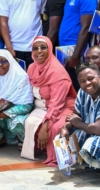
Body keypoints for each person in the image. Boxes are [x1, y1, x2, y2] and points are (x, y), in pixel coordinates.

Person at [22, 36, 76, 166]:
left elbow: (56, 104)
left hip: (64, 106)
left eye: (43, 47)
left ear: (50, 49)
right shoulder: (32, 67)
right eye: (35, 48)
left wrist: (45, 126)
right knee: (30, 122)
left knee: (55, 127)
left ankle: (60, 159)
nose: (39, 51)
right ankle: (40, 149)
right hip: (44, 107)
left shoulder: (58, 73)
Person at [59, 0, 96, 87]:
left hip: (76, 50)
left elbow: (86, 27)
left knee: (80, 87)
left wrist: (75, 56)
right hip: (66, 48)